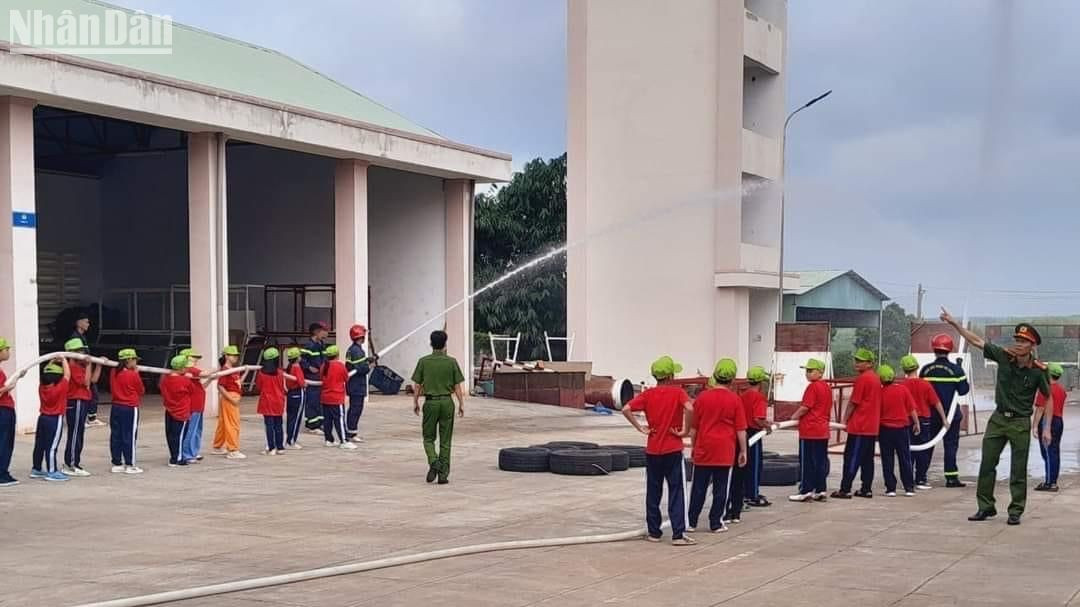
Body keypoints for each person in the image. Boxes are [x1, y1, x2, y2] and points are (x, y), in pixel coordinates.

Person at [941, 309, 1052, 526]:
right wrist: (955, 324)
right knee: (987, 464)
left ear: (1032, 346)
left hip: (1020, 422)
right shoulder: (1003, 356)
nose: (1019, 344)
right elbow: (977, 341)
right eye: (1017, 340)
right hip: (998, 419)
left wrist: (1045, 427)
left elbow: (1048, 398)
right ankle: (985, 507)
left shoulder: (1039, 371)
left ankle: (1015, 510)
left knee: (1018, 469)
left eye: (1024, 341)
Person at [622, 355, 694, 545]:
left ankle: (654, 532)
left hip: (653, 449)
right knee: (677, 490)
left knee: (653, 491)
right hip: (672, 448)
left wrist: (641, 428)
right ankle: (678, 534)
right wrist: (685, 430)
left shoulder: (648, 394)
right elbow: (690, 408)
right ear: (670, 375)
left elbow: (626, 408)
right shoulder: (678, 393)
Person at [686, 359, 748, 532]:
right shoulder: (735, 400)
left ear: (715, 375)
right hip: (724, 450)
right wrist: (743, 451)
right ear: (733, 379)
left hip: (704, 448)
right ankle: (715, 522)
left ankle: (691, 522)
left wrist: (693, 447)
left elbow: (693, 429)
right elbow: (740, 429)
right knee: (721, 488)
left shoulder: (702, 398)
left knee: (698, 487)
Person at [412, 330, 466, 486]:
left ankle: (434, 461)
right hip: (447, 403)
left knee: (428, 438)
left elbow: (417, 385)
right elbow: (457, 386)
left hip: (430, 403)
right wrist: (461, 403)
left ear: (431, 343)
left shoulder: (423, 361)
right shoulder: (451, 362)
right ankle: (443, 474)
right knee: (446, 440)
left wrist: (415, 402)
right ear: (445, 344)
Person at [919, 334, 971, 488]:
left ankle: (921, 476)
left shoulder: (926, 370)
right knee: (950, 446)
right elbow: (963, 391)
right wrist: (961, 373)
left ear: (933, 349)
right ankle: (951, 478)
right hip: (950, 416)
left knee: (927, 446)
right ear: (949, 350)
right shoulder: (955, 370)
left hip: (930, 415)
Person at [833, 348, 881, 499]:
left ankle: (845, 489)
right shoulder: (875, 378)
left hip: (860, 426)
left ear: (869, 363)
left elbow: (853, 402)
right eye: (856, 360)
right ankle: (866, 488)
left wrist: (844, 419)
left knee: (852, 457)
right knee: (867, 459)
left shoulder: (863, 379)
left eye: (860, 361)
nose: (857, 363)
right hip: (871, 426)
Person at [900, 354, 947, 490]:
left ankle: (908, 479)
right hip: (924, 420)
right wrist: (944, 419)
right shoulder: (926, 384)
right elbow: (936, 403)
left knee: (908, 450)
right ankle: (921, 478)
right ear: (917, 367)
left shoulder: (903, 386)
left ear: (904, 370)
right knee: (923, 450)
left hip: (907, 421)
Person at [789, 358, 832, 502]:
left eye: (810, 371)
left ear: (820, 372)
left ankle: (806, 490)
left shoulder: (813, 387)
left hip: (810, 430)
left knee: (807, 462)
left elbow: (805, 407)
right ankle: (820, 490)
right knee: (820, 462)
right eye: (806, 371)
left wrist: (793, 417)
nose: (807, 374)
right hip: (822, 431)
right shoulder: (826, 387)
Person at [878, 365, 919, 497]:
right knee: (905, 458)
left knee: (887, 459)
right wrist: (917, 423)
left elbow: (876, 412)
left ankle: (891, 488)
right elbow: (912, 408)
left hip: (885, 430)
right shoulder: (903, 389)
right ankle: (909, 487)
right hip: (902, 429)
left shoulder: (879, 393)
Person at [63, 337, 100, 477]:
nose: (83, 354)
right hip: (76, 401)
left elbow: (92, 381)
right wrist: (89, 364)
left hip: (83, 400)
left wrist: (98, 365)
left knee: (79, 432)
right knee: (75, 433)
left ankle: (74, 462)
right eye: (80, 351)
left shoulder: (80, 367)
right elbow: (85, 383)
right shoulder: (73, 366)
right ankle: (71, 464)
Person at [738, 366, 772, 509]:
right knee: (755, 465)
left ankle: (744, 493)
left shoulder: (743, 395)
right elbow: (758, 418)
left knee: (745, 465)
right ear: (761, 382)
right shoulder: (759, 397)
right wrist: (767, 426)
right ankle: (752, 495)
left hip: (743, 432)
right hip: (754, 434)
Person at [32, 359, 71, 482]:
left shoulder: (41, 387)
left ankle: (36, 469)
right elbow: (67, 374)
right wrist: (64, 359)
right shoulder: (60, 388)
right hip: (55, 419)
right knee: (52, 447)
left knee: (40, 445)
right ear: (57, 378)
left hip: (42, 418)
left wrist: (51, 362)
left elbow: (49, 372)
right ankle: (52, 471)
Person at [108, 348, 145, 474]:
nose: (136, 362)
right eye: (134, 360)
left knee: (116, 435)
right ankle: (130, 464)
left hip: (116, 406)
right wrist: (137, 373)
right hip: (129, 407)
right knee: (129, 435)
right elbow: (141, 391)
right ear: (129, 360)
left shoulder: (114, 372)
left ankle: (116, 462)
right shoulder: (132, 374)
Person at [1033, 362, 1067, 492]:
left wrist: (1035, 426)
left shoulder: (1045, 389)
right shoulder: (1061, 389)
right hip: (1058, 421)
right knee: (1054, 451)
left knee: (1047, 452)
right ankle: (1052, 480)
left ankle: (1050, 482)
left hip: (1048, 421)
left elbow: (1041, 409)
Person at [0, 338, 27, 487]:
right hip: (3, 410)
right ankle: (1, 474)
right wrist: (7, 388)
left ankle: (4, 472)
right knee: (4, 442)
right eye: (6, 349)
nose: (8, 351)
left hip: (6, 409)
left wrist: (16, 379)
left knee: (5, 442)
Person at [71, 311, 105, 428]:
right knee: (86, 393)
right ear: (78, 323)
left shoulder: (83, 337)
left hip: (86, 367)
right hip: (82, 369)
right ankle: (87, 417)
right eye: (86, 322)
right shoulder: (75, 338)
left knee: (93, 393)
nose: (88, 324)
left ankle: (91, 417)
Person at [159, 354, 194, 467]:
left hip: (169, 410)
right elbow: (192, 390)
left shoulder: (165, 380)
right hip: (181, 412)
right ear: (182, 368)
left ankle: (174, 455)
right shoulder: (185, 380)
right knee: (179, 436)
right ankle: (177, 458)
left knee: (171, 435)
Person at [212, 346, 246, 460]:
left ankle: (218, 446)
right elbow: (220, 386)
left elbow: (238, 383)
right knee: (233, 424)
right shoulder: (225, 370)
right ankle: (233, 450)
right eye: (233, 355)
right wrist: (231, 399)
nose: (236, 357)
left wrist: (246, 372)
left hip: (233, 397)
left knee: (223, 423)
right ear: (226, 356)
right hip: (230, 398)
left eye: (236, 355)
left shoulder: (232, 369)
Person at [319, 345, 355, 450]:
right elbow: (346, 378)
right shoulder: (340, 366)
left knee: (327, 420)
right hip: (336, 397)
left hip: (325, 397)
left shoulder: (323, 366)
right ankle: (344, 441)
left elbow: (321, 378)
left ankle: (328, 439)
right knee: (339, 420)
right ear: (337, 355)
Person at [345, 324, 376, 443]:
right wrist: (370, 366)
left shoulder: (352, 350)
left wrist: (368, 360)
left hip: (354, 384)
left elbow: (356, 365)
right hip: (357, 385)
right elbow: (361, 369)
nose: (364, 338)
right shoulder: (357, 351)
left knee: (354, 408)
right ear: (360, 337)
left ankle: (351, 431)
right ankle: (351, 433)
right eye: (363, 336)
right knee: (356, 409)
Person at [255, 347, 286, 455]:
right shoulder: (280, 373)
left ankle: (271, 447)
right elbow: (282, 386)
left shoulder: (261, 373)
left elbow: (258, 386)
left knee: (269, 425)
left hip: (267, 402)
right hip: (278, 401)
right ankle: (280, 447)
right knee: (279, 425)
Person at [179, 348, 207, 464]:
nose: (196, 360)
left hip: (199, 405)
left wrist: (211, 378)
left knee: (197, 430)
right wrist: (218, 370)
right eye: (193, 358)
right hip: (193, 406)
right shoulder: (190, 370)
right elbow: (204, 373)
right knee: (191, 430)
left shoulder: (191, 373)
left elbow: (202, 386)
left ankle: (194, 451)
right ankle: (187, 454)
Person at [300, 322, 329, 431]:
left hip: (320, 377)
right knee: (312, 401)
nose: (326, 333)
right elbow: (301, 360)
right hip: (312, 378)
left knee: (320, 401)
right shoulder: (309, 346)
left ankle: (319, 423)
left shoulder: (321, 344)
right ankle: (312, 425)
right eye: (324, 330)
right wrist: (309, 367)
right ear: (316, 331)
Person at [283, 347, 307, 449]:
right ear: (297, 358)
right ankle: (291, 441)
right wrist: (305, 384)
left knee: (290, 418)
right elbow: (301, 382)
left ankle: (289, 439)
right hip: (298, 393)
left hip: (291, 394)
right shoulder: (297, 367)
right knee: (296, 418)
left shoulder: (289, 366)